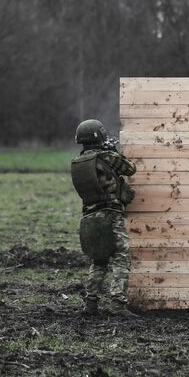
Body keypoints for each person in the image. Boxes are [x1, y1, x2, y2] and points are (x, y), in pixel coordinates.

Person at [71, 119, 138, 317]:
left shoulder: (78, 162)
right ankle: (117, 304)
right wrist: (115, 151)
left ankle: (90, 304)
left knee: (98, 260)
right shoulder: (107, 156)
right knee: (121, 257)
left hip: (90, 215)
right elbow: (130, 168)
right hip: (110, 214)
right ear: (99, 136)